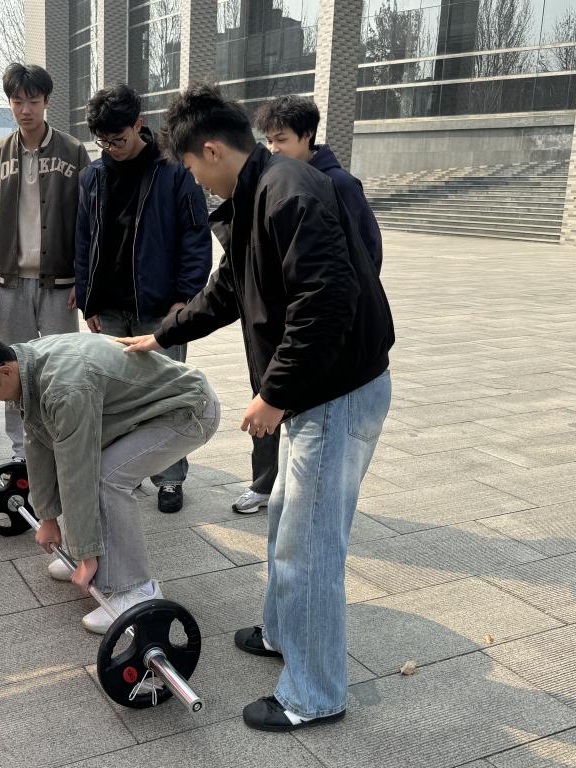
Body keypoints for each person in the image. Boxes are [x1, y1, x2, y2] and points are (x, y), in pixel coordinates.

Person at [118, 84, 394, 731]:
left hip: (335, 394)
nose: (195, 181)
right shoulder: (255, 194)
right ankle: (281, 633)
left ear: (212, 150)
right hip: (317, 392)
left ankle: (314, 695)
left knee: (310, 548)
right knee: (286, 524)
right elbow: (228, 289)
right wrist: (162, 335)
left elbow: (327, 303)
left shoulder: (288, 192)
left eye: (192, 167)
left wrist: (274, 395)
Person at [0, 331, 220, 633]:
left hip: (188, 409)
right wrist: (47, 518)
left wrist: (86, 556)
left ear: (4, 371)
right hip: (148, 409)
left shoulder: (65, 387)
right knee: (97, 476)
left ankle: (136, 590)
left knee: (107, 478)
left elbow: (77, 470)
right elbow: (38, 442)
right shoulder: (26, 362)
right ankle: (102, 562)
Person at [228, 95, 385, 516]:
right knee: (268, 406)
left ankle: (279, 490)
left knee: (310, 515)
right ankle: (265, 484)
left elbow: (361, 263)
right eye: (269, 140)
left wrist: (326, 321)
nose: (274, 149)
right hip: (284, 339)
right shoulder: (272, 184)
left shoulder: (335, 185)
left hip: (322, 350)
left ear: (308, 135)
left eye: (282, 140)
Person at [75, 83, 212, 514]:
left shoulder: (173, 171)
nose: (111, 149)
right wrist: (88, 300)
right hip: (110, 308)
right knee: (115, 396)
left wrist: (185, 297)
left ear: (139, 125)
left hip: (161, 308)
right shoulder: (93, 177)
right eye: (103, 141)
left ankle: (170, 478)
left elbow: (196, 237)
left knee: (168, 394)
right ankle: (126, 472)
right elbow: (84, 241)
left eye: (118, 139)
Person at [0, 63, 91, 461]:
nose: (26, 110)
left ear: (46, 102)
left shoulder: (73, 152)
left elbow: (87, 223)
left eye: (34, 101)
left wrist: (83, 279)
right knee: (12, 367)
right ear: (10, 103)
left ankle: (65, 439)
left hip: (61, 284)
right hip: (11, 284)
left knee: (63, 366)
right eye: (17, 101)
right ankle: (21, 449)